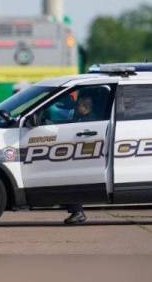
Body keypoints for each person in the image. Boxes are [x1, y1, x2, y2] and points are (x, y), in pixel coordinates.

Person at [64, 94, 99, 225]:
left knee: (69, 180)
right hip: (80, 158)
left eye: (77, 105)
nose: (75, 108)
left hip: (83, 160)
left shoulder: (89, 121)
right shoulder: (82, 118)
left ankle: (78, 212)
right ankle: (77, 211)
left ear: (85, 107)